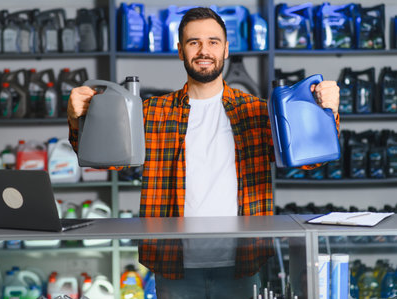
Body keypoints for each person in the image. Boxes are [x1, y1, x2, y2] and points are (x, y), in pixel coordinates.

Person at [67, 7, 340, 298]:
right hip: (174, 266)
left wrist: (328, 112)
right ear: (180, 51)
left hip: (243, 264)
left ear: (226, 49)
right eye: (193, 42)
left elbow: (311, 163)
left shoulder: (258, 112)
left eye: (213, 41)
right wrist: (77, 119)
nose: (204, 50)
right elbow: (107, 162)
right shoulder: (151, 114)